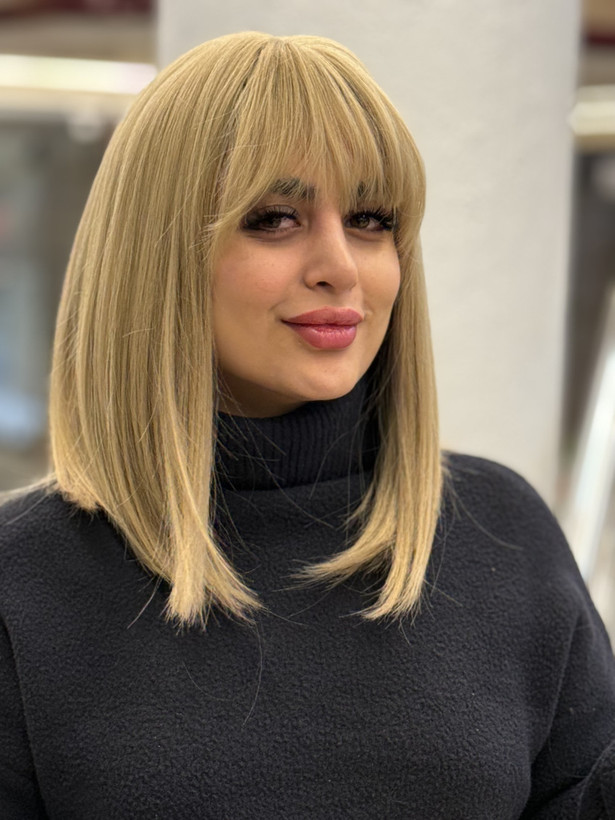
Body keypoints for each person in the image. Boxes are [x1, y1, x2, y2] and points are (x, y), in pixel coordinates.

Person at [0, 31, 613, 820]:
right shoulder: (25, 579)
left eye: (370, 219)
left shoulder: (501, 532)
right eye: (275, 218)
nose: (341, 267)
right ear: (158, 250)